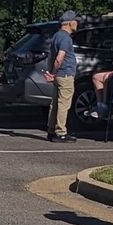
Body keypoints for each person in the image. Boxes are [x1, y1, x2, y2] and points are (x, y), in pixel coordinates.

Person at [43, 10, 80, 142]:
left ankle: (51, 130)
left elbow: (52, 56)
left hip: (59, 75)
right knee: (64, 104)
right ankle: (61, 132)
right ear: (70, 23)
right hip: (65, 74)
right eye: (76, 21)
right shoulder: (65, 38)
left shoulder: (56, 36)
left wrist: (52, 72)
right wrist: (53, 72)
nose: (78, 23)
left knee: (55, 104)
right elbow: (60, 57)